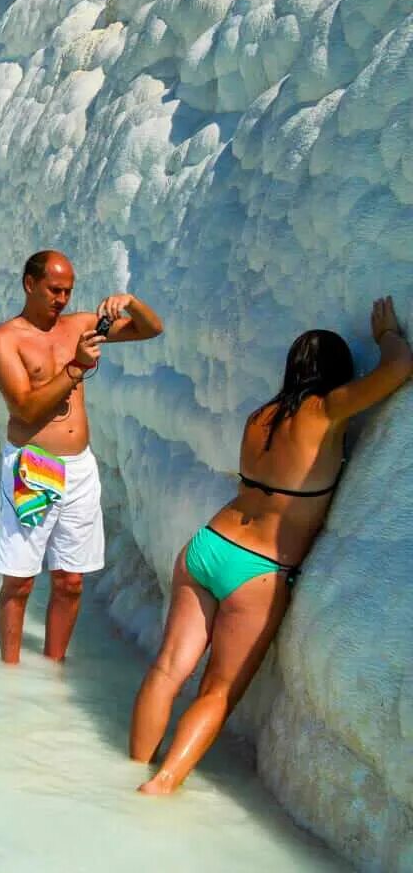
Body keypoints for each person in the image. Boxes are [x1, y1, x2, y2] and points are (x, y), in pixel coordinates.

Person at [129, 298, 410, 794]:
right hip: (257, 568)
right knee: (218, 690)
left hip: (208, 545)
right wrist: (387, 333)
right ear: (337, 374)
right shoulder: (326, 410)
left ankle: (129, 770)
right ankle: (161, 786)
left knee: (168, 668)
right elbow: (401, 368)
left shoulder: (260, 416)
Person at [0, 250, 164, 664]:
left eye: (68, 291)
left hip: (79, 467)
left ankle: (54, 669)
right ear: (30, 284)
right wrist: (76, 368)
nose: (62, 298)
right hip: (34, 466)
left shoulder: (81, 325)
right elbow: (24, 409)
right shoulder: (5, 339)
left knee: (70, 581)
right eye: (54, 289)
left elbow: (151, 329)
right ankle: (8, 674)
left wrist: (130, 302)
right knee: (20, 581)